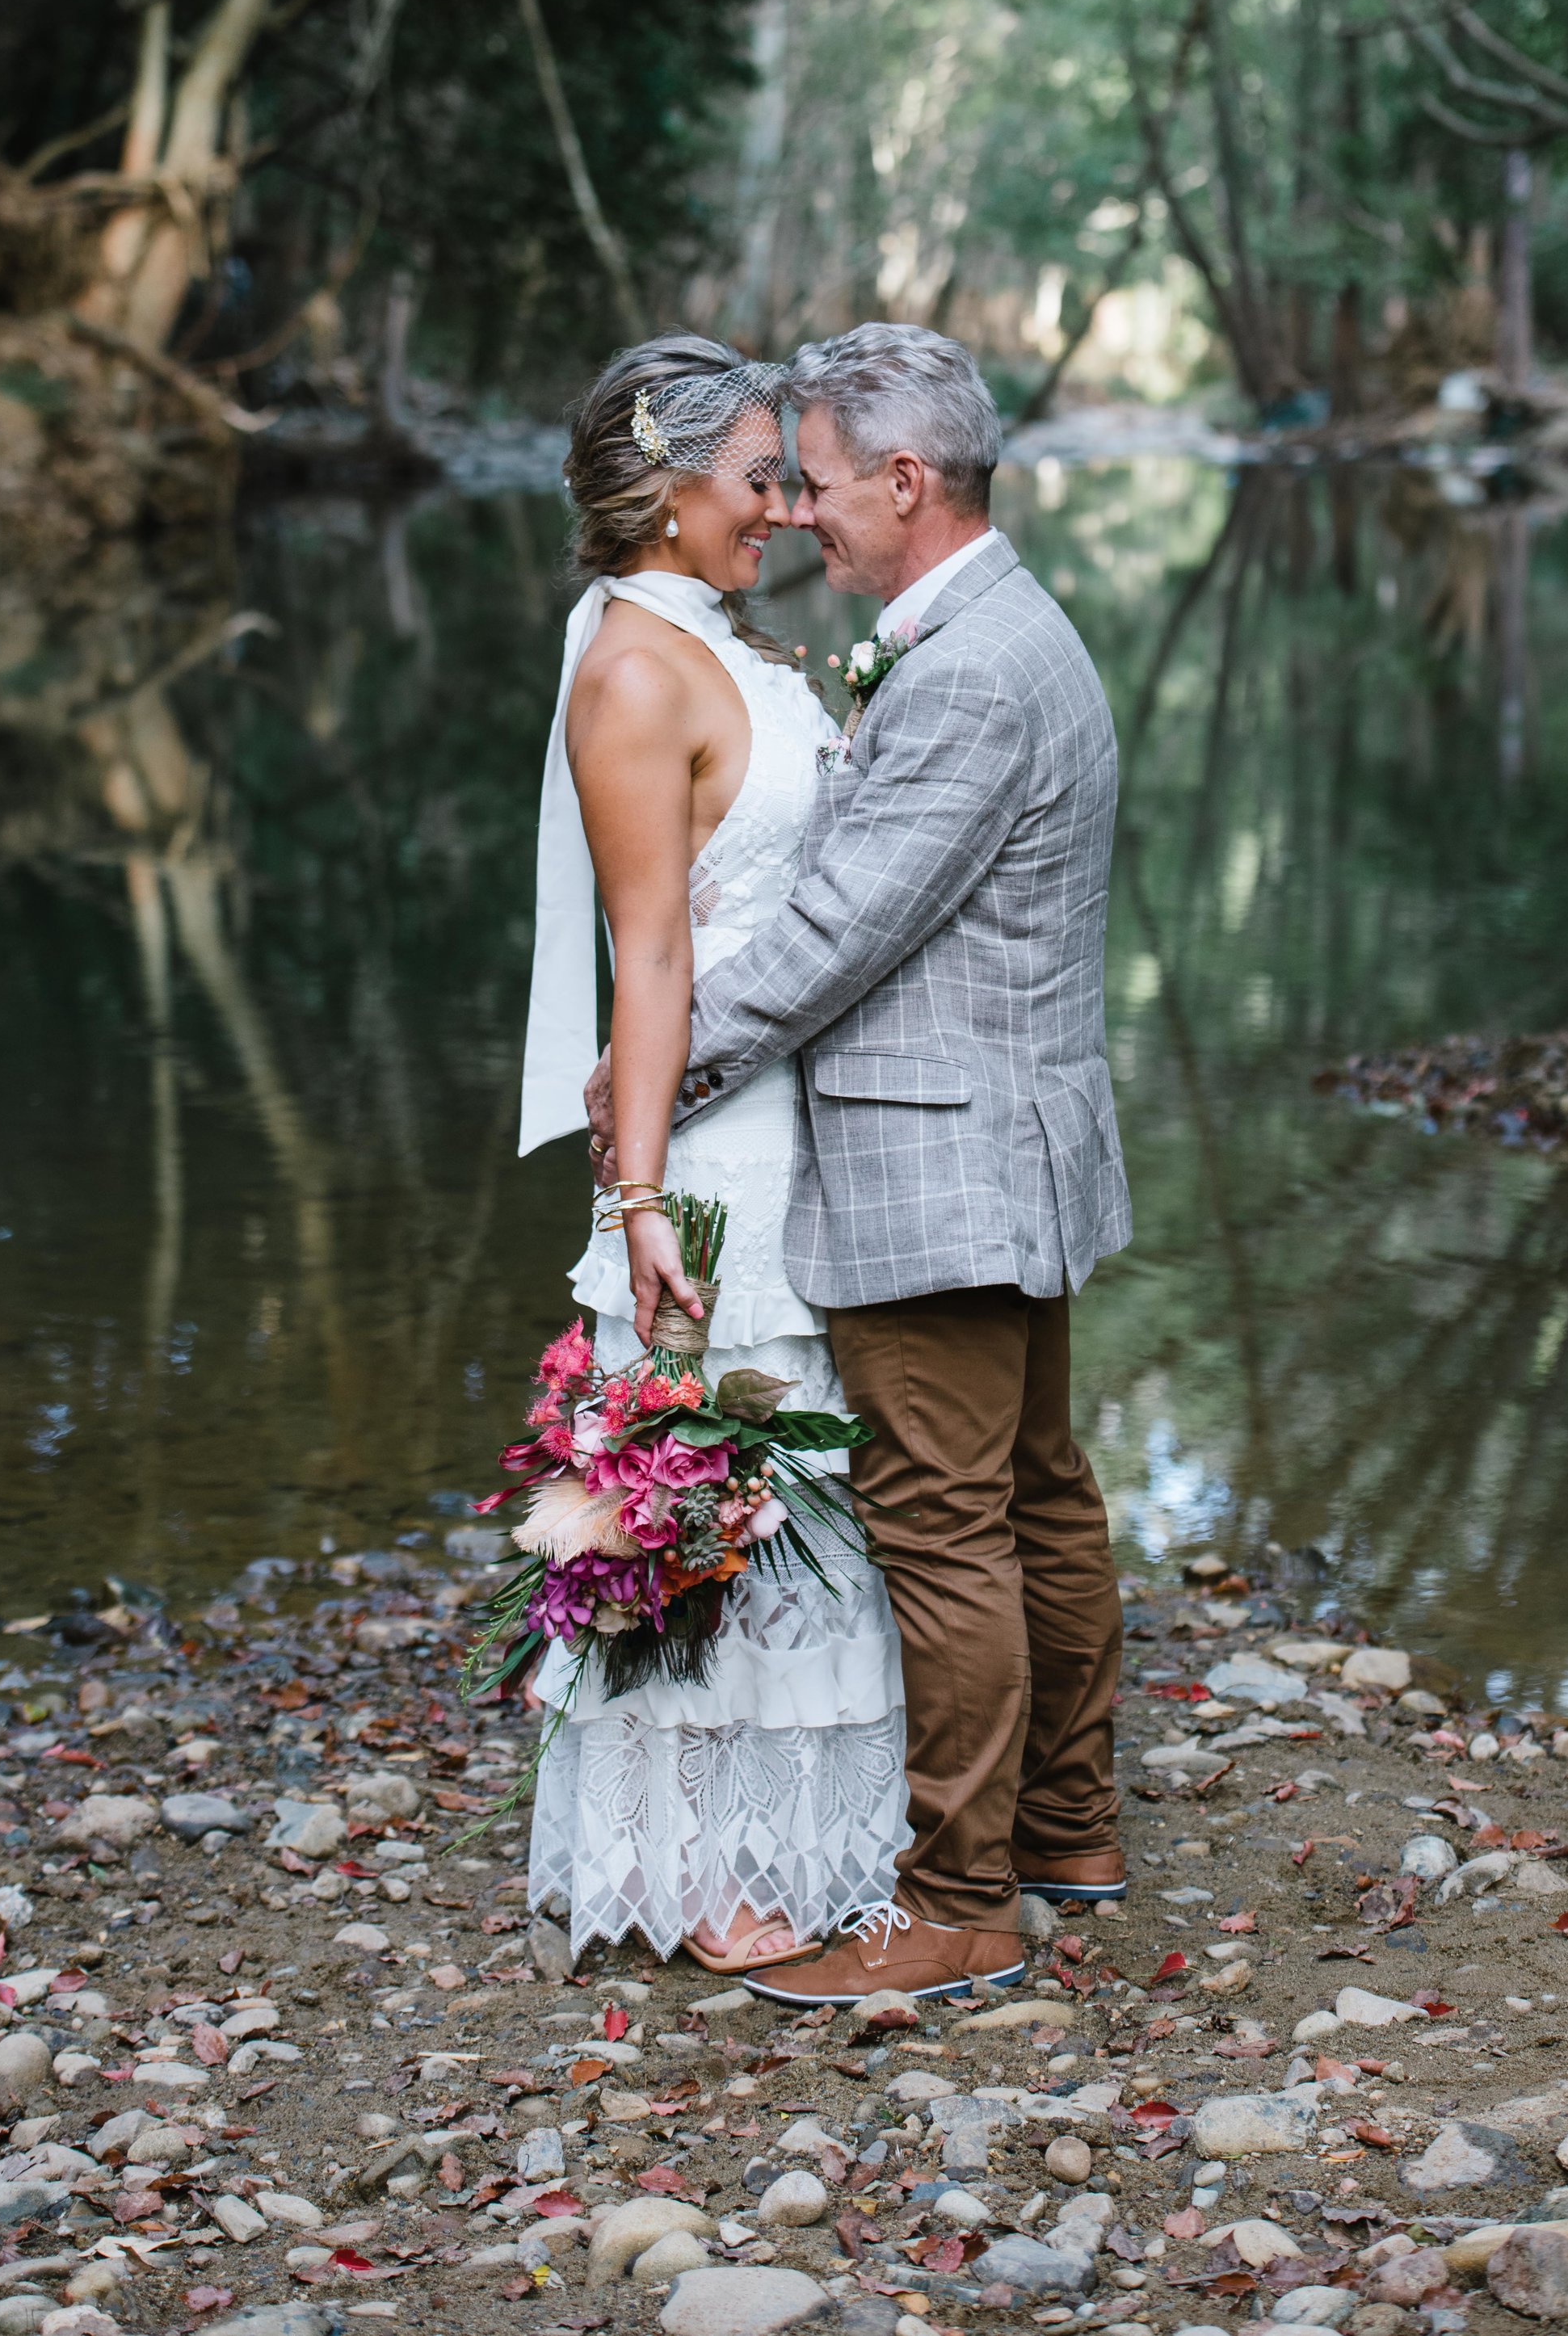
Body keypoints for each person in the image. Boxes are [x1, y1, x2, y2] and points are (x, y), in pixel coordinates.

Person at [590, 321, 1130, 2006]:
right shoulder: (1004, 627)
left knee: (946, 1523)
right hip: (1012, 1145)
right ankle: (1068, 1823)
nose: (801, 514)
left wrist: (655, 1076)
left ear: (905, 480)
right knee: (1035, 1492)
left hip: (932, 1167)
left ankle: (962, 1897)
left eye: (813, 484)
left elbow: (838, 930)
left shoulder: (962, 670)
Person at [516, 335, 907, 1974]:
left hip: (790, 1118)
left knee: (792, 1485)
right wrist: (642, 1201)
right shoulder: (628, 668)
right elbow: (651, 956)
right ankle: (705, 1869)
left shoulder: (709, 636)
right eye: (762, 477)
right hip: (717, 1148)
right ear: (670, 487)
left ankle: (792, 1841)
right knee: (727, 1485)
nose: (785, 505)